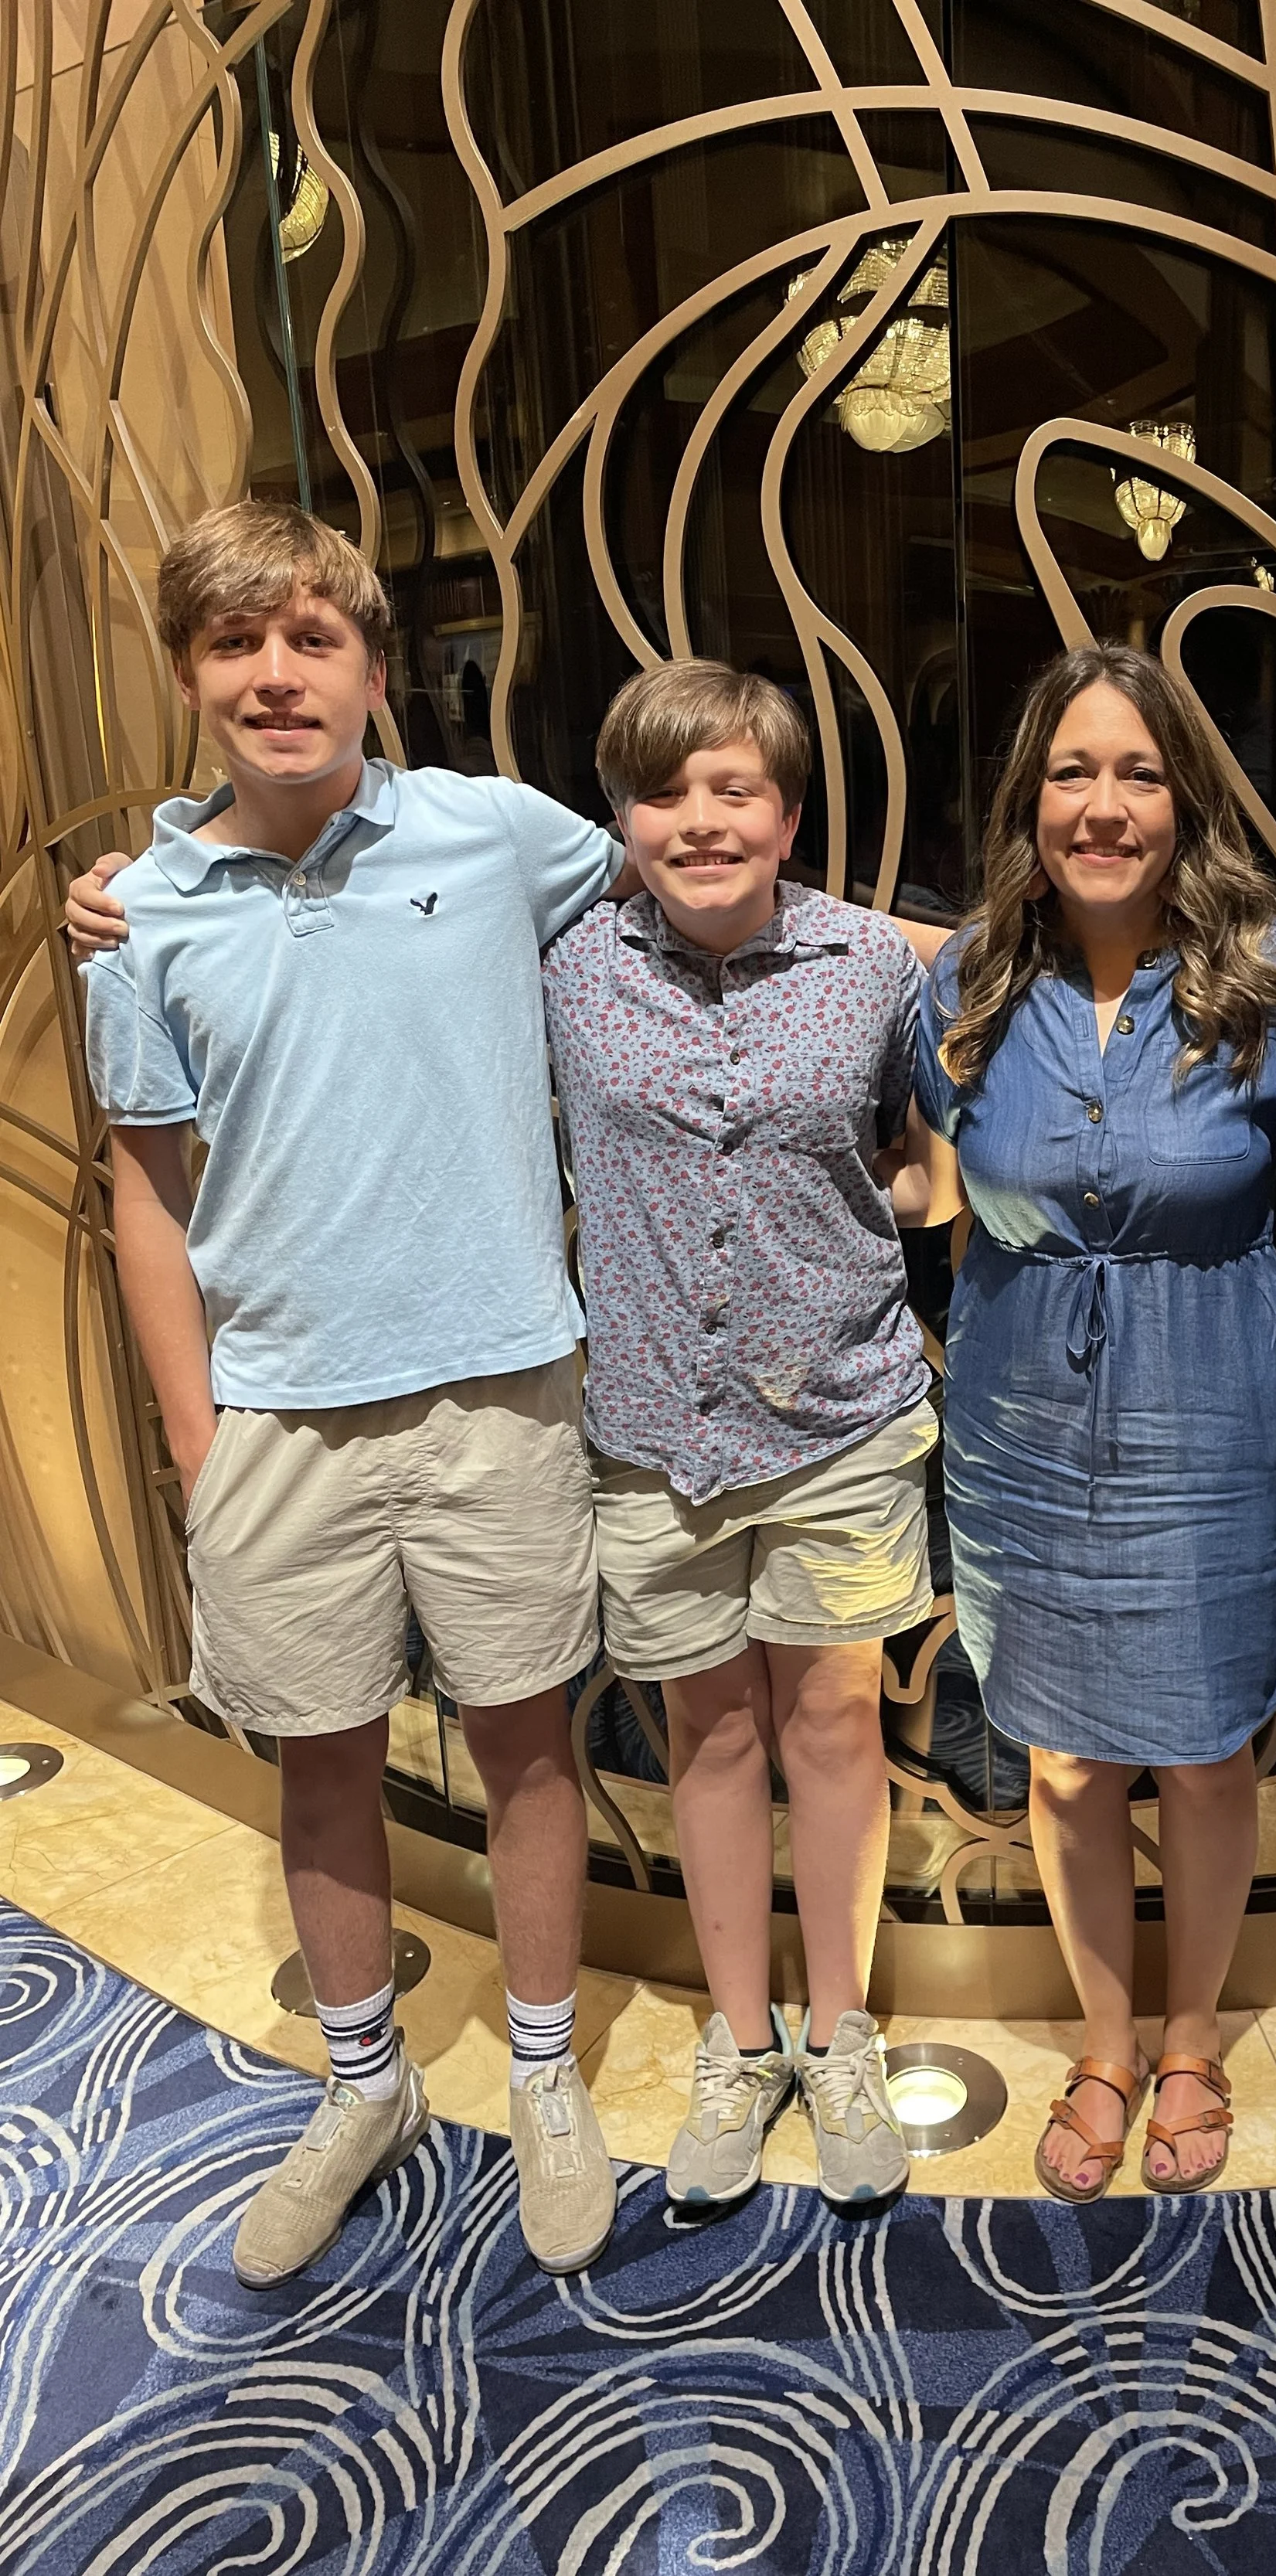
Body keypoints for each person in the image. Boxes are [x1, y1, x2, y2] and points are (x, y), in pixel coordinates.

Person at [66, 501, 635, 2285]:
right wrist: (191, 1432)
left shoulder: (494, 836)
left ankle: (545, 2073)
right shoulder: (141, 911)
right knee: (321, 1766)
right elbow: (145, 1188)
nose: (276, 674)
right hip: (278, 1417)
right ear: (189, 677)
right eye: (237, 644)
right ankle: (366, 2081)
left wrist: (952, 951)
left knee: (527, 1738)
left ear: (376, 671)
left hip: (498, 1389)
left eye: (312, 640)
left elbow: (706, 886)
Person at [540, 660, 939, 2210]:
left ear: (785, 810)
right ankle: (739, 2033)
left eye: (733, 790)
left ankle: (837, 2032)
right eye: (663, 791)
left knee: (836, 1726)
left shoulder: (873, 965)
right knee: (702, 1731)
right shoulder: (565, 963)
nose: (698, 820)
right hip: (647, 1423)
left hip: (837, 1416)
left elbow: (928, 1148)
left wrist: (872, 1209)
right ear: (621, 815)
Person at [915, 643, 1276, 2200]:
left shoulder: (1267, 988)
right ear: (1031, 800)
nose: (1101, 802)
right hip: (1018, 1430)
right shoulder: (959, 982)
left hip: (1210, 1416)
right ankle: (1103, 2034)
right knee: (1065, 1765)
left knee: (1207, 1759)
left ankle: (1195, 2032)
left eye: (1136, 772)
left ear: (1182, 799)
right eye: (1071, 770)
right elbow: (928, 1171)